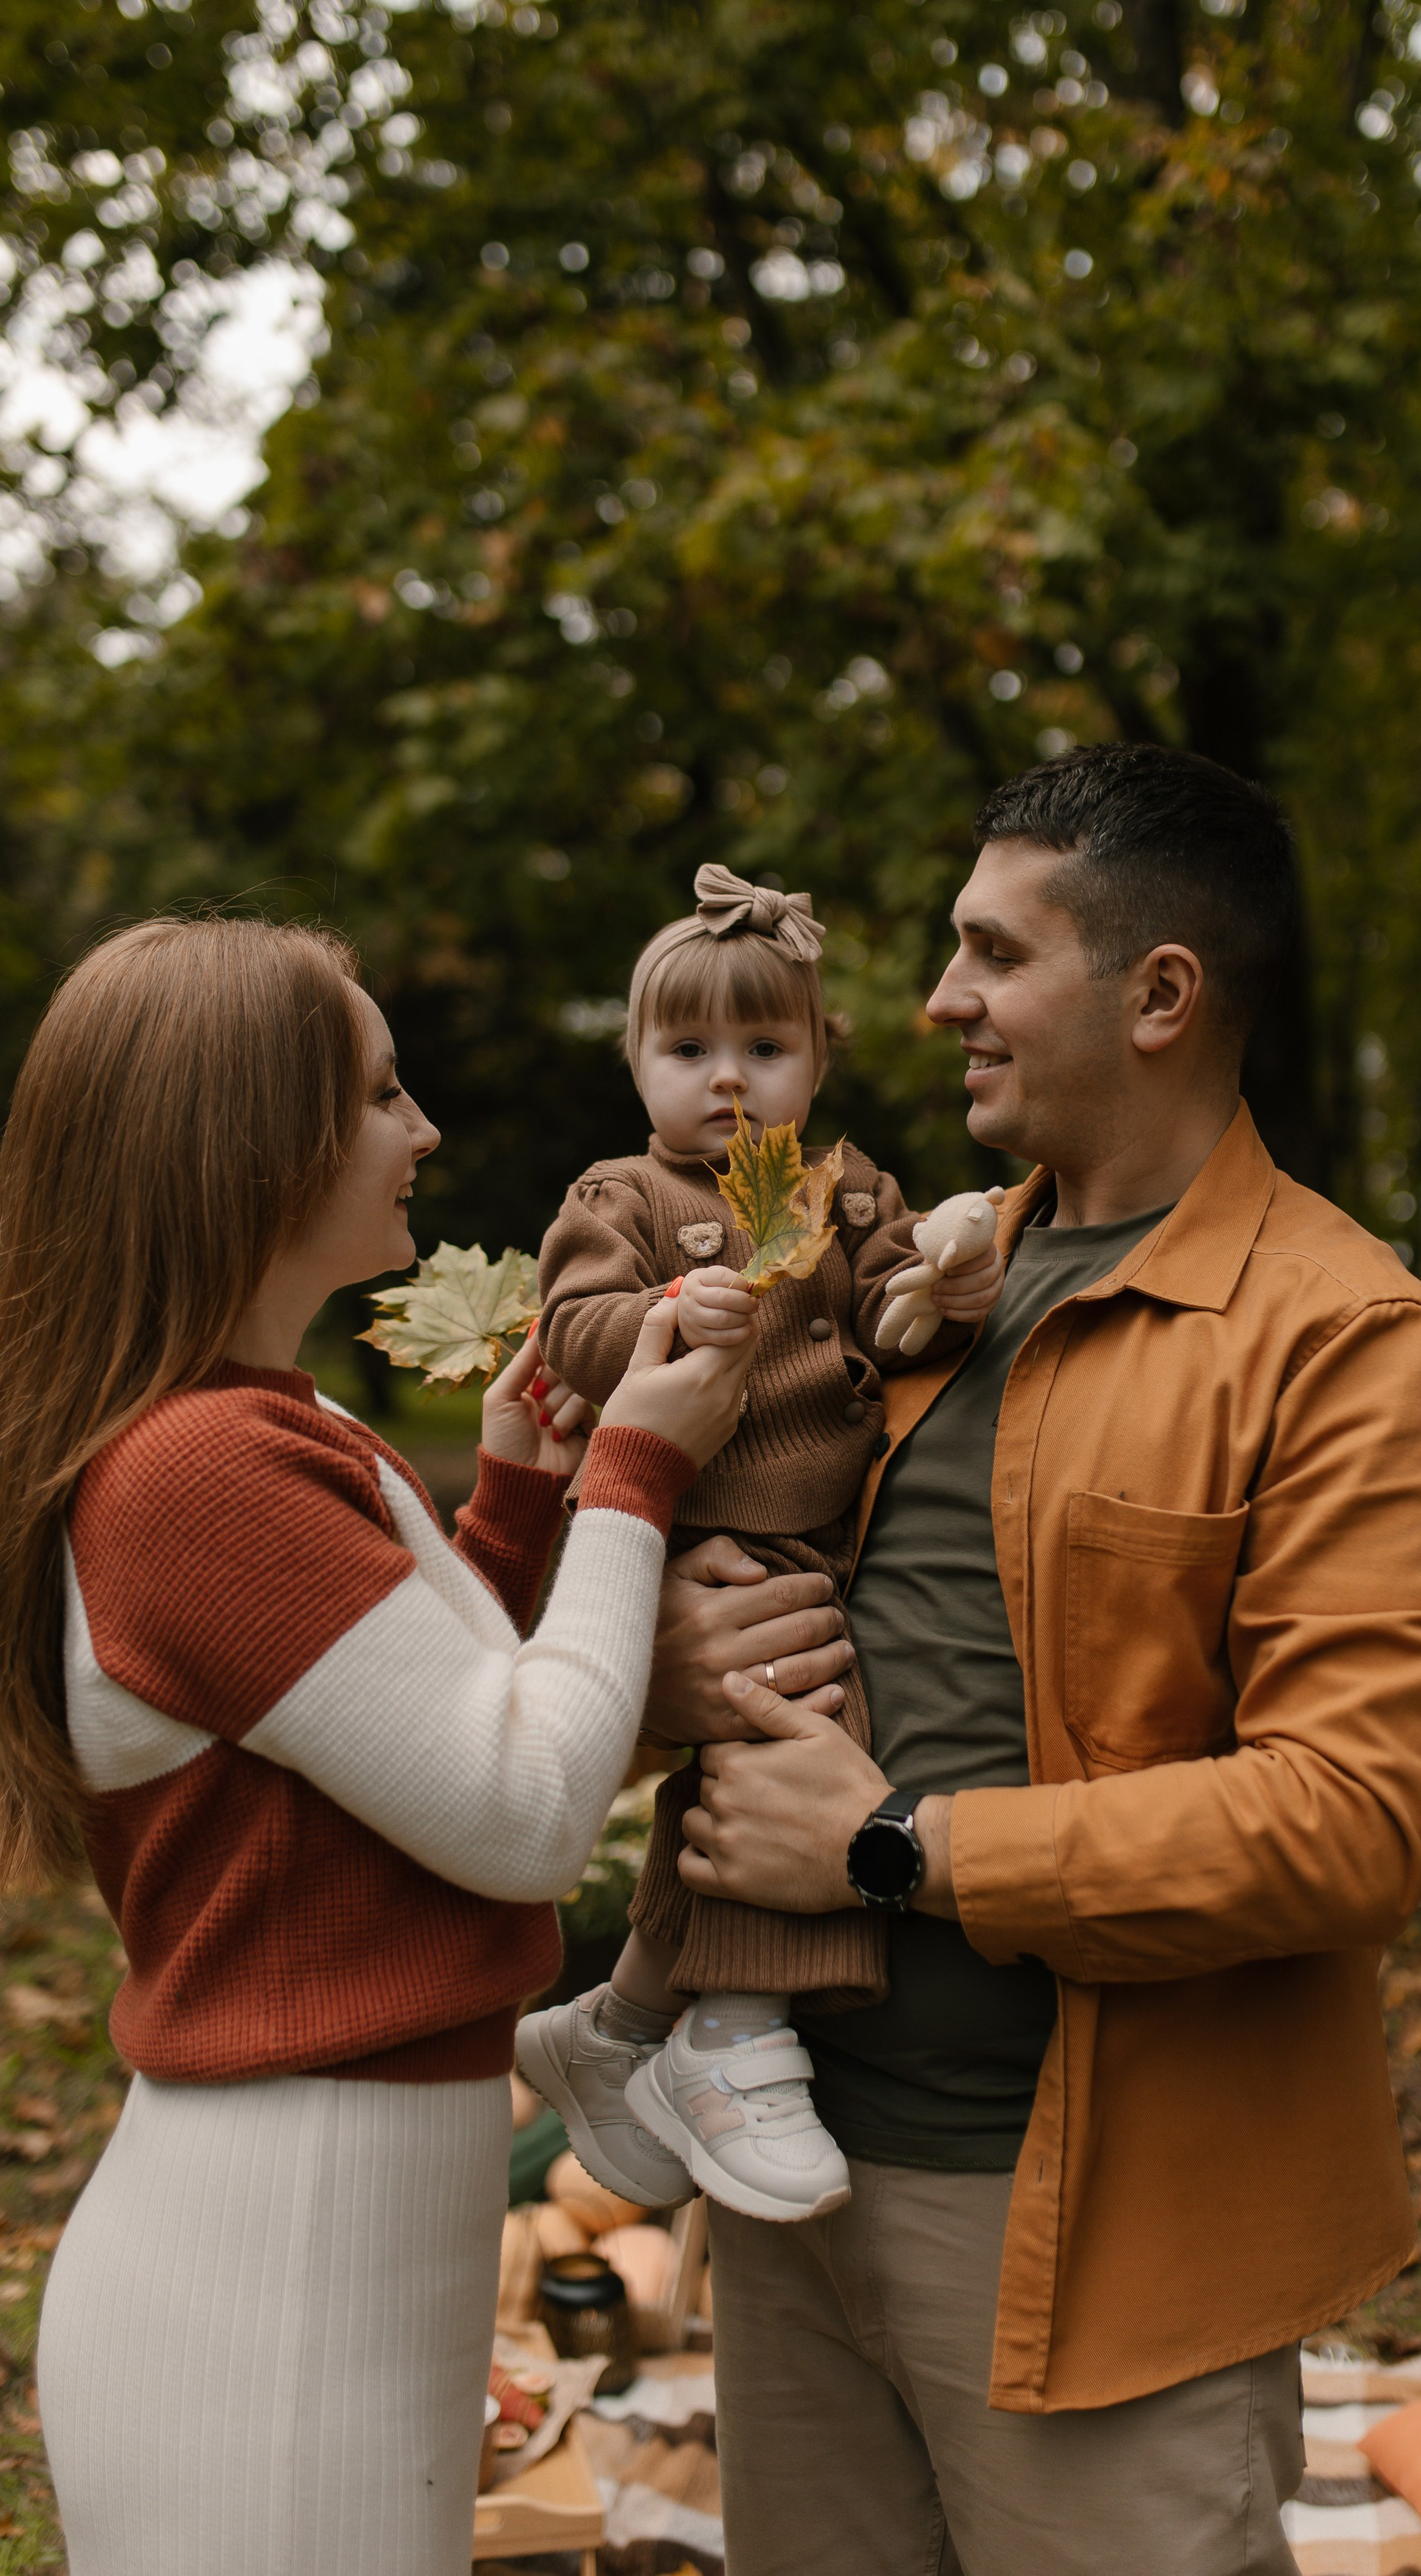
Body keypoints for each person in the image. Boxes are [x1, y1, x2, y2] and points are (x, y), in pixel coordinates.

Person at [658, 744, 1421, 2576]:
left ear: (1158, 994)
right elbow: (776, 1567)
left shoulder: (1345, 1344)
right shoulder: (910, 1291)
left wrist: (898, 1848)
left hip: (1091, 2242)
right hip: (791, 2176)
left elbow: (1350, 1824)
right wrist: (682, 1661)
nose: (937, 1000)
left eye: (991, 954)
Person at [0, 914, 747, 2576]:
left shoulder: (270, 1426)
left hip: (340, 2226)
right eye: (383, 1093)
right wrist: (633, 1484)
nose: (425, 1131)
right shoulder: (198, 1474)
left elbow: (398, 1749)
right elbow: (524, 1808)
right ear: (254, 1137)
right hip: (282, 2261)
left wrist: (517, 1504)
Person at [517, 863, 1004, 2225]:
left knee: (766, 1759)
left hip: (823, 1532)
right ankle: (733, 2034)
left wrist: (949, 1281)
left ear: (816, 1058)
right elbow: (572, 1332)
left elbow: (918, 1308)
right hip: (702, 1533)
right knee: (795, 1751)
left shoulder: (845, 1191)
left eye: (766, 1048)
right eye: (689, 1050)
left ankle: (619, 2028)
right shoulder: (620, 1196)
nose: (727, 1081)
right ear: (636, 1063)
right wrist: (673, 1315)